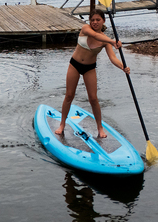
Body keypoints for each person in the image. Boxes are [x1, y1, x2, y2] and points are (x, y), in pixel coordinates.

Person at [54, 9, 131, 139]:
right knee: (69, 95)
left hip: (89, 68)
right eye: (92, 20)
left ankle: (100, 128)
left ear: (103, 21)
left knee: (93, 99)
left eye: (98, 20)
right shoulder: (85, 29)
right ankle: (62, 125)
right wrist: (113, 41)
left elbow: (113, 58)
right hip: (75, 65)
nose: (95, 22)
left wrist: (123, 67)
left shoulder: (105, 40)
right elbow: (95, 36)